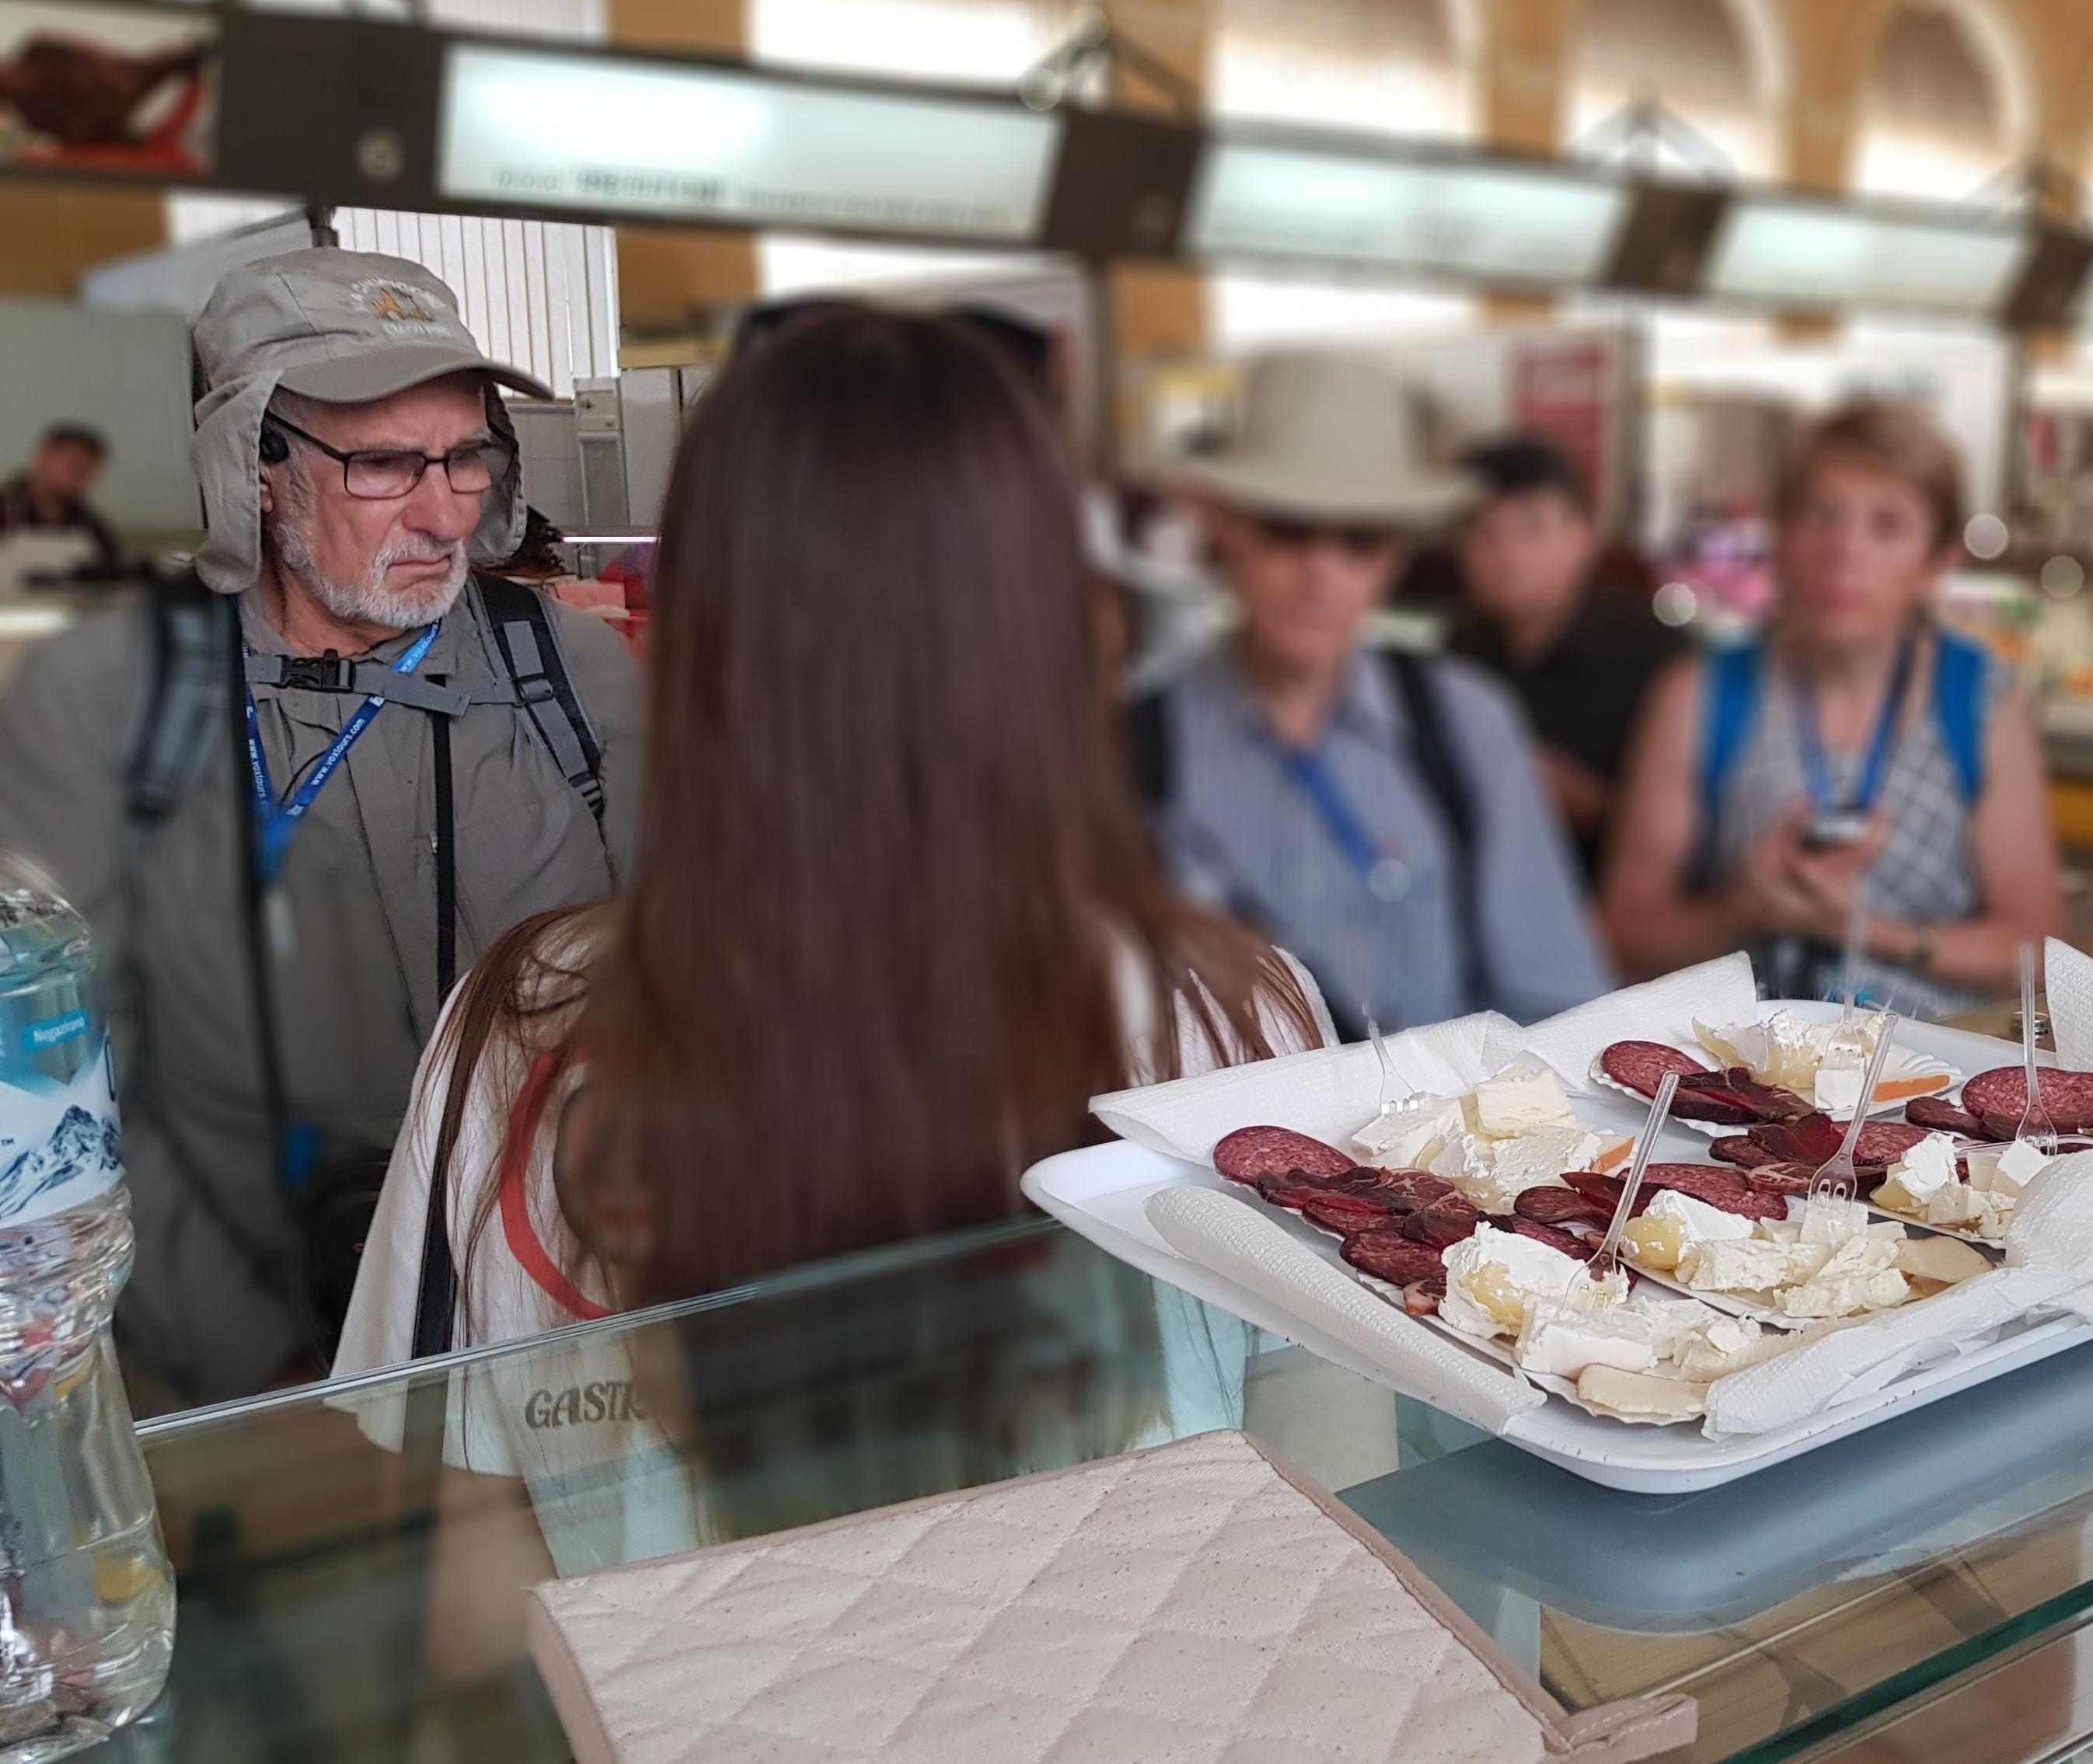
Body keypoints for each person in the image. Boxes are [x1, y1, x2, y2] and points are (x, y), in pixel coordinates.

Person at [327, 308, 1323, 1556]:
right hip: (1151, 1723)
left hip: (678, 1741)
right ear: (1069, 632)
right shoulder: (1237, 1014)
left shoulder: (521, 1023)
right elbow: (1335, 1509)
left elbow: (468, 1586)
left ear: (694, 642)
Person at [0, 249, 642, 1406]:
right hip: (226, 1365)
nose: (446, 513)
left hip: (544, 1314)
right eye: (387, 464)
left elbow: (680, 988)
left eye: (465, 457)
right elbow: (60, 1090)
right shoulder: (104, 699)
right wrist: (261, 1362)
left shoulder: (574, 676)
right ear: (255, 466)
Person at [1132, 351, 1613, 1031]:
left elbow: (1557, 1006)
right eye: (1287, 527)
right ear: (1228, 528)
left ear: (1394, 554)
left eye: (1358, 538)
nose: (1321, 571)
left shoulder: (1465, 723)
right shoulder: (1132, 744)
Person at [1599, 400, 2066, 1014]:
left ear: (1938, 563)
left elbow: (2037, 952)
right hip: (1738, 1072)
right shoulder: (1699, 693)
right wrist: (1744, 911)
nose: (1844, 549)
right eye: (1821, 515)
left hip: (1931, 1077)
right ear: (1781, 538)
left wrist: (1863, 930)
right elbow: (1619, 934)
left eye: (1887, 525)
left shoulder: (1981, 701)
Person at [1445, 434, 1675, 877]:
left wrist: (1598, 807)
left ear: (1584, 537)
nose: (1507, 553)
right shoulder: (1458, 651)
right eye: (1483, 530)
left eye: (1531, 528)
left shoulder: (1655, 656)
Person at [0, 421, 120, 575]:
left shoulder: (93, 528)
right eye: (73, 464)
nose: (79, 475)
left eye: (89, 470)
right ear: (42, 455)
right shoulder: (5, 511)